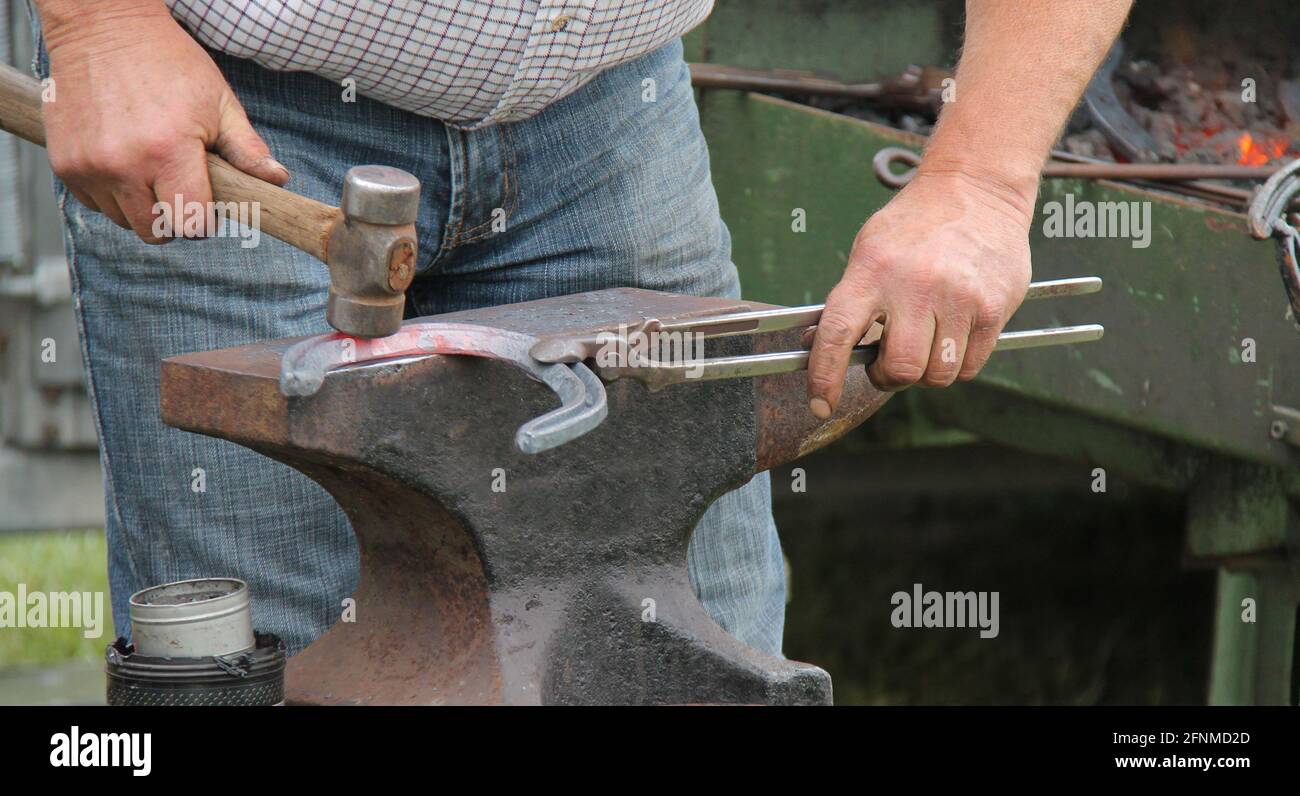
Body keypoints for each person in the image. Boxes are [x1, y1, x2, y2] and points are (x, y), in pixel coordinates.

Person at [28, 0, 1133, 656]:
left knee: (690, 658)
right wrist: (100, 25)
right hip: (242, 116)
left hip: (608, 111)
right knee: (287, 656)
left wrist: (979, 179)